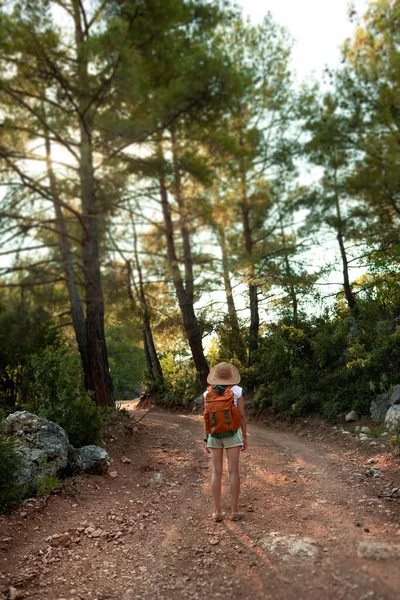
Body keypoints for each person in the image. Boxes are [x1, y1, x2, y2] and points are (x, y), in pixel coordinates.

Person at [203, 362, 247, 522]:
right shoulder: (236, 391)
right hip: (233, 434)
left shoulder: (207, 393)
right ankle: (234, 512)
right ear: (230, 376)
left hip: (214, 435)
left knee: (216, 471)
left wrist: (206, 438)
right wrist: (245, 436)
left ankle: (217, 512)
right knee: (233, 471)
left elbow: (206, 418)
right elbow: (242, 416)